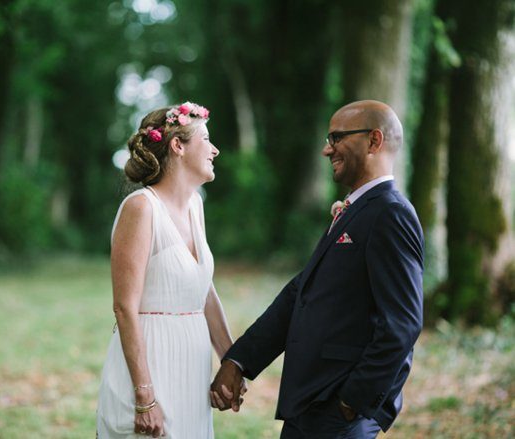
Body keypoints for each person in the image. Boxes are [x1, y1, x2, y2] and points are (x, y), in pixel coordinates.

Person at [210, 100, 424, 438]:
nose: (327, 149)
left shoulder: (390, 213)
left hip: (338, 412)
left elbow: (403, 323)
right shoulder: (355, 209)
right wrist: (239, 361)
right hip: (308, 403)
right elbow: (302, 293)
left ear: (374, 141)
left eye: (337, 138)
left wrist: (352, 402)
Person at [97, 102, 236, 438]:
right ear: (178, 146)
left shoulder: (195, 206)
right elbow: (124, 307)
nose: (215, 150)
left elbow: (204, 292)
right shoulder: (141, 208)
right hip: (150, 366)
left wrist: (233, 363)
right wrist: (145, 396)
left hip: (191, 368)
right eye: (206, 139)